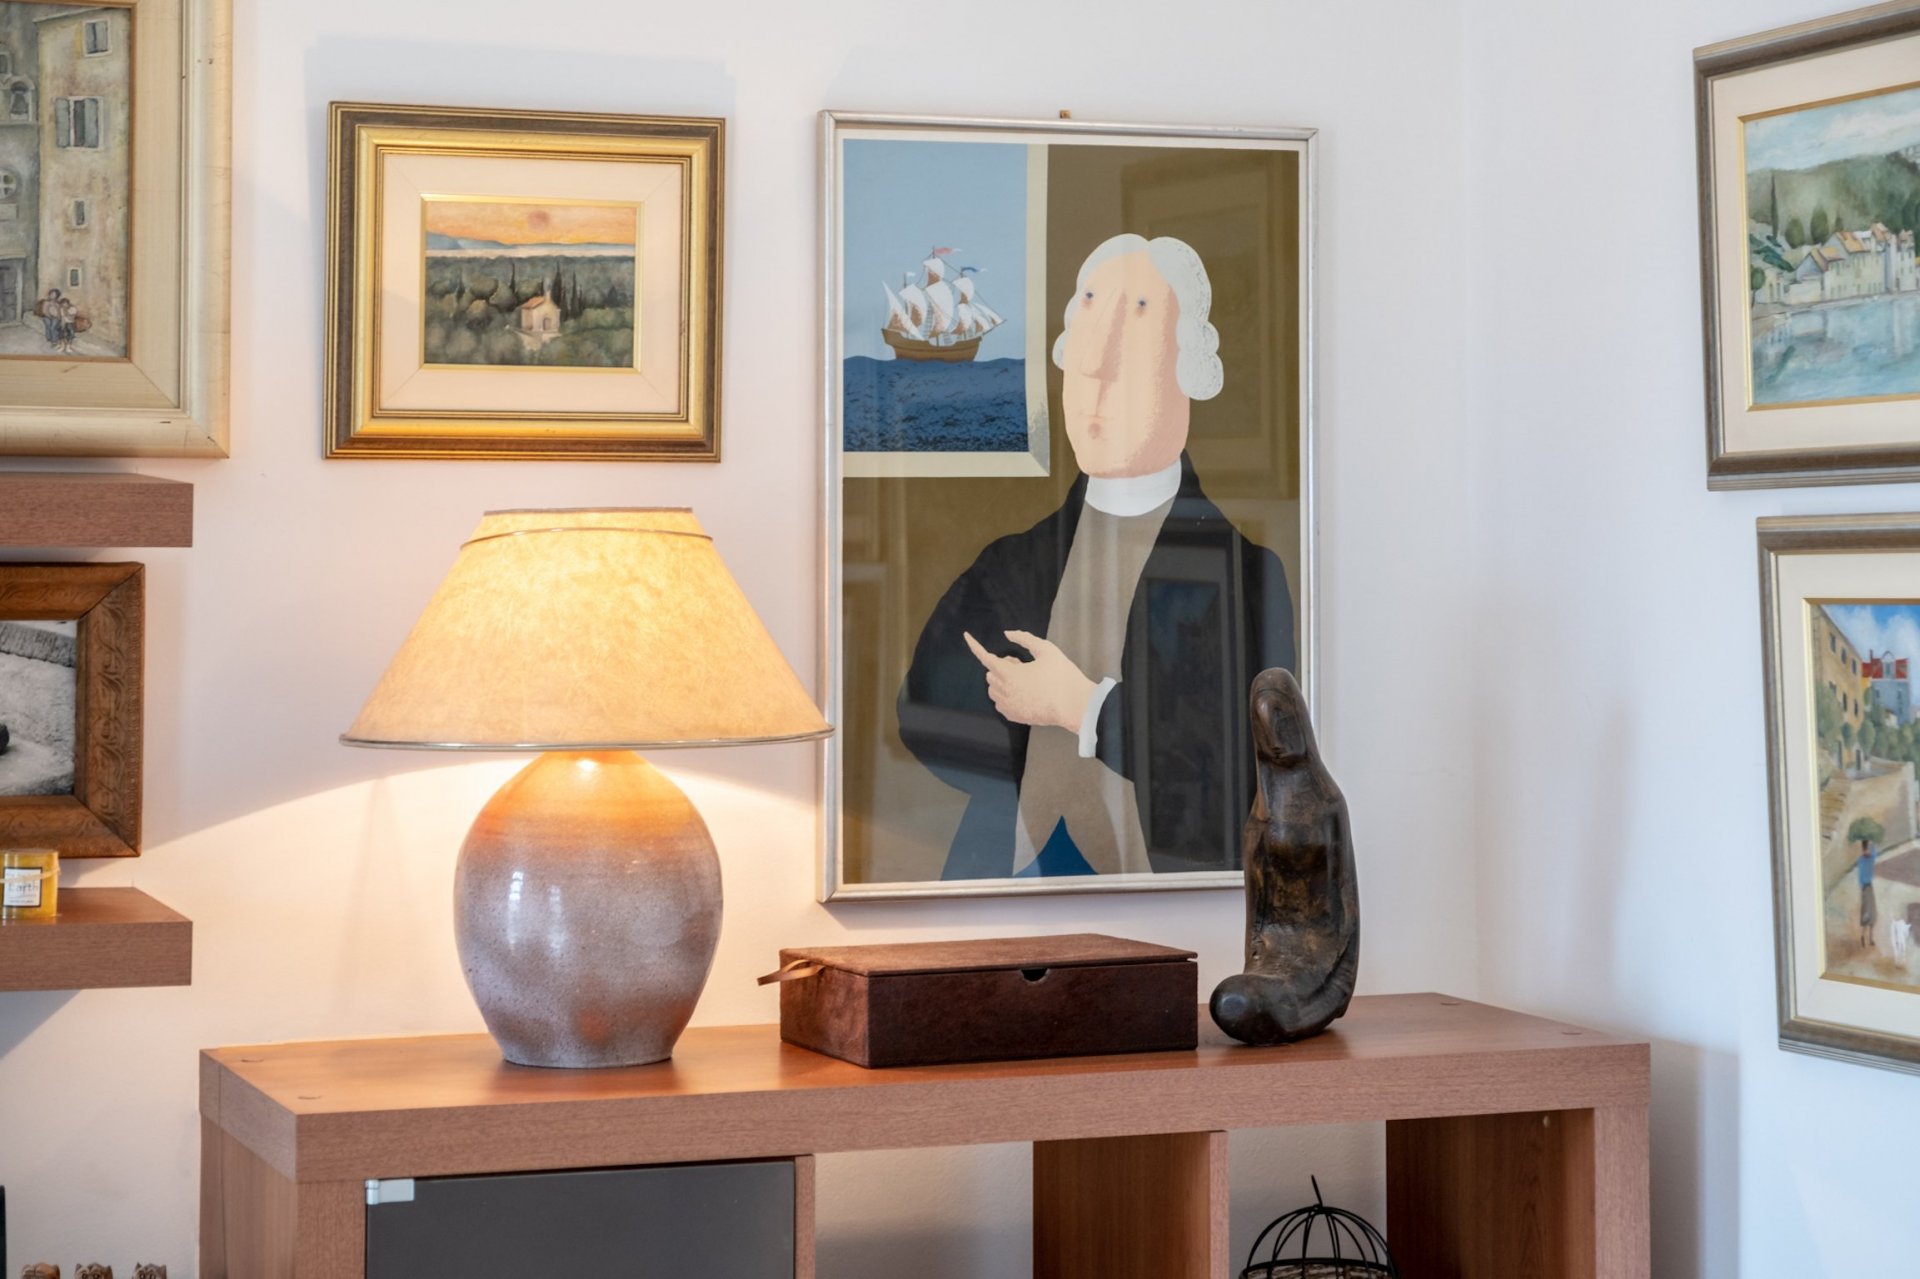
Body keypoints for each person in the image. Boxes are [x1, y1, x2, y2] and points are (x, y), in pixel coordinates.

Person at [897, 233, 1294, 881]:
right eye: (1082, 359)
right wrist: (1003, 706)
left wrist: (1080, 706)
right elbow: (919, 718)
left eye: (1127, 349)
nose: (1094, 375)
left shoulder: (1247, 577)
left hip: (1173, 903)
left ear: (1188, 367)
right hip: (1003, 889)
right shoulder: (1010, 563)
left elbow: (1239, 773)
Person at [1858, 840, 1879, 949]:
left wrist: (1872, 843)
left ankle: (1871, 938)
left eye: (1869, 849)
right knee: (1866, 914)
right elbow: (1860, 876)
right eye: (1867, 849)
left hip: (1870, 887)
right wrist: (1862, 888)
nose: (1868, 851)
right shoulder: (1861, 860)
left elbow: (1876, 853)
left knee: (1872, 913)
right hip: (1865, 888)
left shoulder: (1871, 858)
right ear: (1863, 850)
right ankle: (1863, 936)